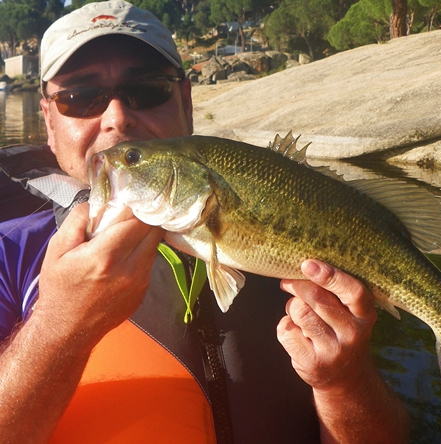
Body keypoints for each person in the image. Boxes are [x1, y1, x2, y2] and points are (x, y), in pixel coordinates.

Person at [0, 2, 409, 443]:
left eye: (147, 89)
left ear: (186, 101)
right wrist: (58, 329)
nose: (117, 117)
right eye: (80, 97)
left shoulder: (303, 259)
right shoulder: (12, 255)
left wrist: (343, 383)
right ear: (48, 120)